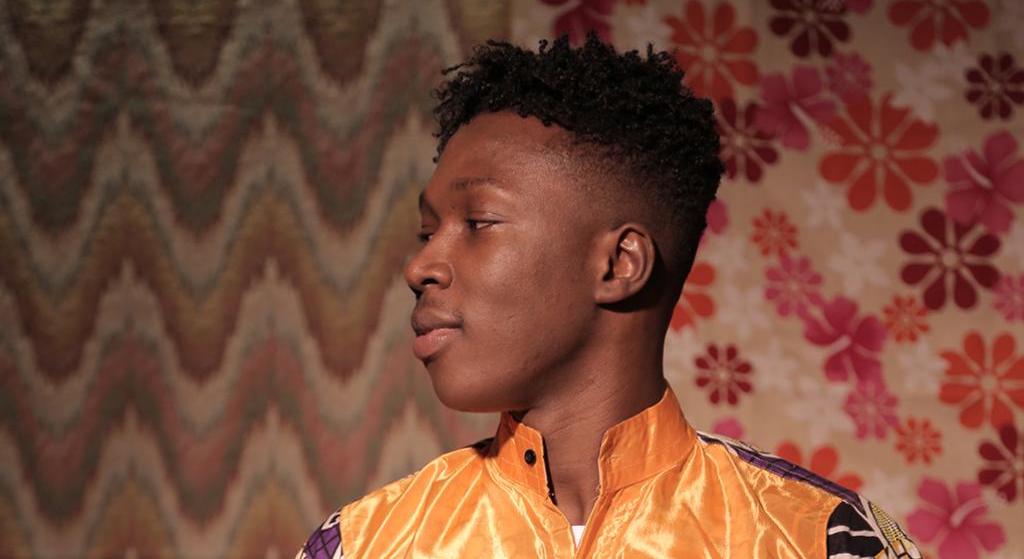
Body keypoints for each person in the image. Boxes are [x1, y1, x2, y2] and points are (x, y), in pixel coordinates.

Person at [296, 34, 920, 559]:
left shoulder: (823, 539)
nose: (419, 266)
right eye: (427, 232)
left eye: (478, 222)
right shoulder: (360, 543)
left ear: (620, 264)